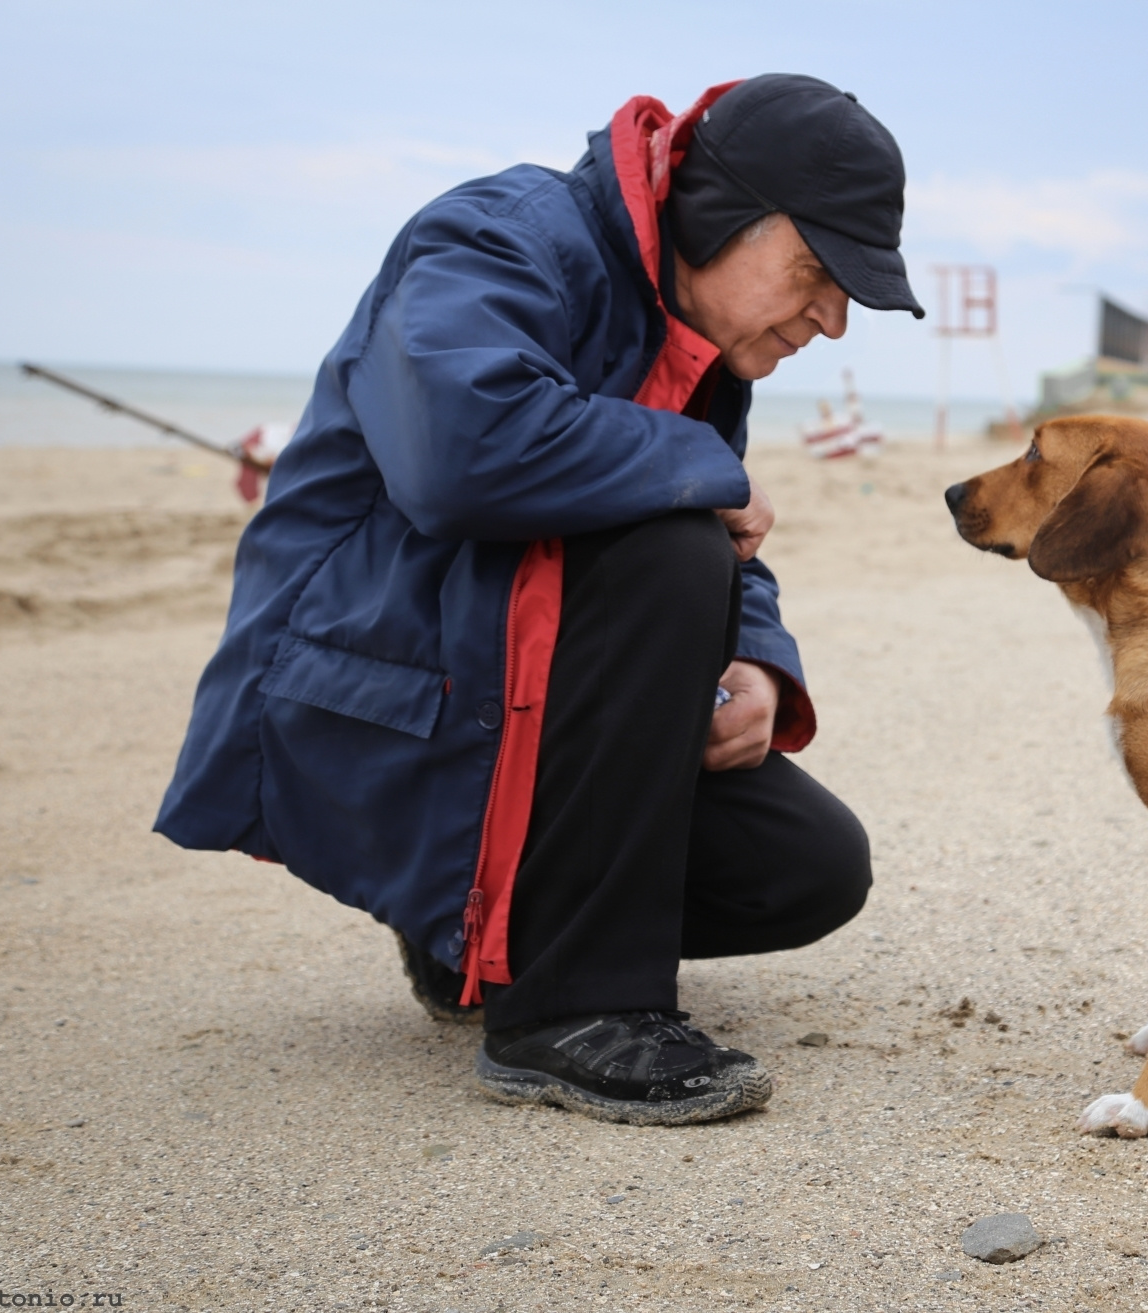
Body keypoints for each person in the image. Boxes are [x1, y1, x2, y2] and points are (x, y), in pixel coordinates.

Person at [155, 75, 923, 1126]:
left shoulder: (700, 344)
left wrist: (752, 658)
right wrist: (703, 470)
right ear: (718, 212)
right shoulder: (496, 238)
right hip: (377, 699)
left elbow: (719, 527)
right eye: (817, 272)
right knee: (668, 545)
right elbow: (460, 455)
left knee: (807, 868)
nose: (831, 319)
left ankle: (470, 937)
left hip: (510, 707)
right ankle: (569, 1009)